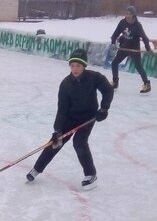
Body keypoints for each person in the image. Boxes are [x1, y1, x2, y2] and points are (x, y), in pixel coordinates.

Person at [26, 48, 114, 190]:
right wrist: (57, 130)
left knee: (79, 142)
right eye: (72, 65)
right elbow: (62, 109)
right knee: (55, 143)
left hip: (88, 118)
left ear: (84, 66)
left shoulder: (94, 77)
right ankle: (37, 169)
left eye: (78, 66)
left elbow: (107, 89)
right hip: (70, 118)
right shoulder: (66, 84)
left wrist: (104, 108)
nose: (75, 69)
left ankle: (91, 175)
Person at [110, 5, 153, 93]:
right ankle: (115, 82)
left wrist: (148, 48)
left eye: (129, 14)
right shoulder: (122, 22)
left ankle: (147, 84)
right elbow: (115, 34)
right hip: (124, 48)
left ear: (133, 15)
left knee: (138, 66)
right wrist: (113, 43)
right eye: (126, 13)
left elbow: (144, 38)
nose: (127, 15)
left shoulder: (137, 26)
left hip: (134, 49)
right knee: (114, 63)